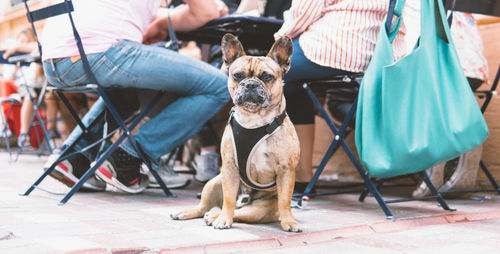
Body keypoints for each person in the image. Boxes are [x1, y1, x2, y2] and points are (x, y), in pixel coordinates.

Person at [40, 0, 230, 193]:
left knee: (127, 93)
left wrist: (160, 22)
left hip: (54, 61)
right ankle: (127, 158)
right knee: (218, 85)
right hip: (102, 52)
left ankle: (74, 156)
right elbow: (205, 12)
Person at [274, 0, 407, 193]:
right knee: (293, 87)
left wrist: (278, 40)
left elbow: (304, 11)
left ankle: (266, 176)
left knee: (266, 74)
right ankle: (300, 180)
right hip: (380, 55)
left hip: (336, 48)